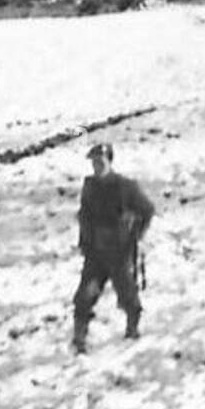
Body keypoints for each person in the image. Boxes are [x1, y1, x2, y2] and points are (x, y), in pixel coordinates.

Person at [72, 143, 155, 354]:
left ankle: (132, 328)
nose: (97, 167)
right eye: (94, 163)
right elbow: (85, 215)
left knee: (127, 292)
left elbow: (147, 210)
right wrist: (84, 241)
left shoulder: (125, 186)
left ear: (110, 162)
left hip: (119, 251)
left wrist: (136, 233)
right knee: (85, 295)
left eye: (101, 162)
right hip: (96, 252)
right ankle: (79, 337)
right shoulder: (89, 186)